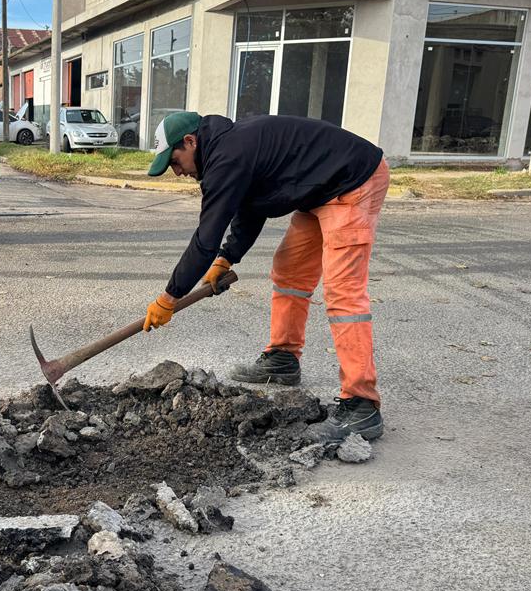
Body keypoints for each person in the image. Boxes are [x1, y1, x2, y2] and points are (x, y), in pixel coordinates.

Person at [142, 111, 390, 444]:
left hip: (353, 180)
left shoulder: (227, 156)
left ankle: (362, 405)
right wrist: (227, 258)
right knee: (290, 269)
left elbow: (205, 238)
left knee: (343, 290)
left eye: (175, 162)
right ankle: (283, 358)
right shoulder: (228, 149)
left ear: (190, 142)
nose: (178, 172)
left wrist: (169, 297)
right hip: (321, 190)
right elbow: (251, 207)